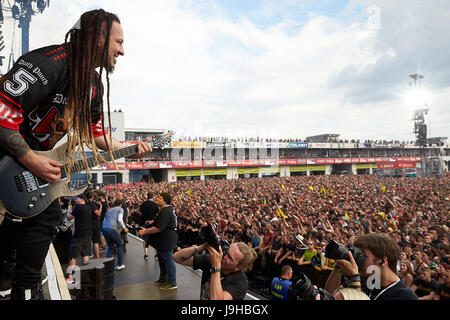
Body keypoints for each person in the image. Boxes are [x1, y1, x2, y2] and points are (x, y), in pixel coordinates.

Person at [0, 8, 152, 299]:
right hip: (8, 157)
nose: (123, 50)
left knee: (44, 218)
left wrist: (128, 150)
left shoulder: (92, 85)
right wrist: (30, 159)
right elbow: (2, 112)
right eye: (118, 42)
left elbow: (97, 135)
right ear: (97, 37)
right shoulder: (46, 64)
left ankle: (19, 286)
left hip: (35, 166)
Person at [325, 233, 418, 300]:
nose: (358, 261)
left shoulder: (405, 296)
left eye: (363, 256)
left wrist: (355, 279)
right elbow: (330, 295)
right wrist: (338, 268)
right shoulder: (369, 282)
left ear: (382, 261)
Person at [173, 240, 258, 300]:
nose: (224, 256)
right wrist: (201, 247)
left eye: (230, 257)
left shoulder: (240, 282)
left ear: (238, 267)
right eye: (227, 251)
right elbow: (176, 257)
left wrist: (216, 266)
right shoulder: (211, 260)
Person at [138, 192, 178, 290]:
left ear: (165, 200)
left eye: (160, 198)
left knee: (168, 260)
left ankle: (172, 282)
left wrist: (145, 231)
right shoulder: (165, 210)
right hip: (163, 239)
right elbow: (162, 222)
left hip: (167, 239)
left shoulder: (166, 211)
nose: (158, 199)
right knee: (162, 259)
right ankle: (163, 278)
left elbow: (160, 227)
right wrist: (153, 222)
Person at [66, 194, 93, 283]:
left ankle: (70, 277)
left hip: (79, 234)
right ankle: (86, 276)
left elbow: (69, 218)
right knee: (85, 254)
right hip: (88, 233)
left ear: (81, 199)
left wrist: (69, 208)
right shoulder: (89, 207)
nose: (75, 200)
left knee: (72, 254)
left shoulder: (78, 208)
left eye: (77, 199)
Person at [102, 199, 128, 270]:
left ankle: (105, 263)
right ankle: (119, 264)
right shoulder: (120, 209)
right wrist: (124, 228)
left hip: (104, 229)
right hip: (112, 229)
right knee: (119, 245)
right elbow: (120, 220)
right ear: (120, 204)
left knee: (110, 246)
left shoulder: (109, 210)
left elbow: (105, 220)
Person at [139, 192, 159, 260]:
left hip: (145, 223)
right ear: (153, 196)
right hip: (153, 223)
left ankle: (146, 254)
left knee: (145, 239)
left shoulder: (143, 204)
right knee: (156, 238)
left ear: (147, 196)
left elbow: (140, 213)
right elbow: (158, 215)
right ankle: (156, 255)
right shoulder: (155, 204)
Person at [86, 190, 102, 259]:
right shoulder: (92, 204)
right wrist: (100, 207)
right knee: (95, 242)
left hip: (88, 224)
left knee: (89, 240)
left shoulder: (85, 203)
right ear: (92, 197)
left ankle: (89, 254)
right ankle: (97, 258)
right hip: (94, 224)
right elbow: (98, 213)